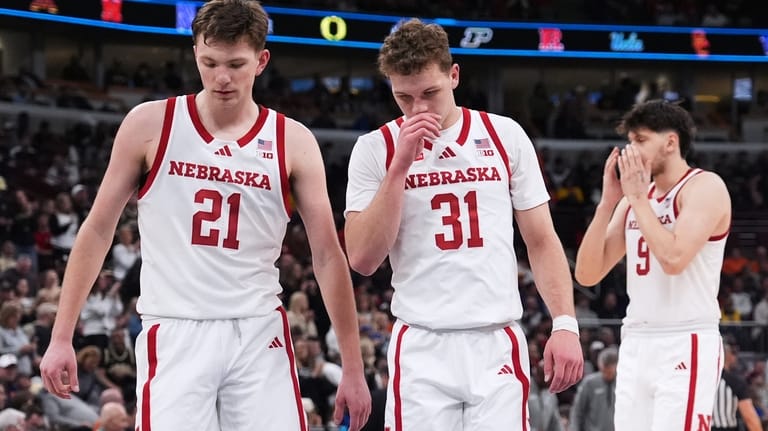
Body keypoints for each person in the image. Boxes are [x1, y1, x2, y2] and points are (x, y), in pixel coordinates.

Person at [39, 1, 371, 430]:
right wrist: (62, 334)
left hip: (257, 330)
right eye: (209, 62)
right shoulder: (149, 124)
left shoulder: (294, 141)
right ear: (195, 52)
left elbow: (327, 255)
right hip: (176, 327)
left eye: (236, 63)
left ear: (262, 60)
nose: (222, 77)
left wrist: (353, 366)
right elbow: (98, 229)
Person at [344, 18, 583, 430]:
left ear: (454, 76)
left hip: (496, 338)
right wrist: (400, 166)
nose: (418, 108)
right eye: (404, 98)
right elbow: (363, 259)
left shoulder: (504, 134)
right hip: (421, 341)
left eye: (430, 93)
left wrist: (564, 323)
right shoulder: (374, 149)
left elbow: (542, 241)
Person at [574, 100, 731, 431]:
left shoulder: (705, 187)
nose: (631, 150)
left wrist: (637, 201)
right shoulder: (634, 199)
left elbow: (674, 259)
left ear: (671, 142)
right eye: (630, 140)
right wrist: (608, 204)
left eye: (641, 140)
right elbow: (587, 273)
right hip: (636, 339)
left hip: (685, 338)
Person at [712, 343, 764, 431]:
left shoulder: (704, 381)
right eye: (734, 353)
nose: (736, 358)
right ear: (727, 355)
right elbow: (749, 418)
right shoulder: (734, 382)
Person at [568, 345, 618, 431]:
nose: (607, 375)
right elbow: (577, 411)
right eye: (604, 371)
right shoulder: (589, 383)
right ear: (600, 367)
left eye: (610, 372)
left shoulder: (622, 384)